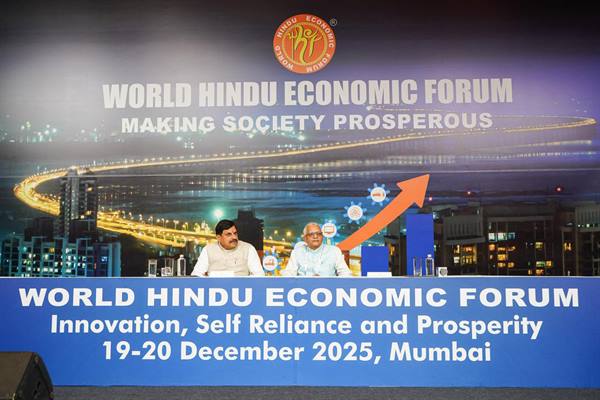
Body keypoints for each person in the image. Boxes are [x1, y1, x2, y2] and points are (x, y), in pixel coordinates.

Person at [191, 219, 264, 277]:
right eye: (228, 234)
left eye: (235, 233)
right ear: (219, 238)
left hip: (241, 288)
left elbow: (259, 275)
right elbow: (196, 275)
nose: (234, 237)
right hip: (214, 288)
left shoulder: (248, 248)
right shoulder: (208, 250)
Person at [282, 222, 352, 277]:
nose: (315, 236)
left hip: (329, 288)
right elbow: (288, 274)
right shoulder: (297, 253)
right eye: (311, 234)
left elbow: (346, 274)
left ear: (322, 236)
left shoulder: (334, 251)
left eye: (318, 234)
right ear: (305, 238)